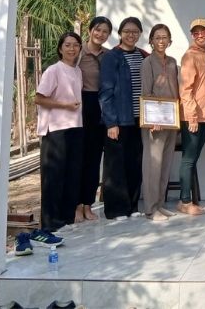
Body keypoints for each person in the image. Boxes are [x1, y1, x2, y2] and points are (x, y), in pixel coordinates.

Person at [35, 32, 84, 232]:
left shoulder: (78, 71)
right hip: (56, 129)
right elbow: (39, 98)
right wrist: (64, 105)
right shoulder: (53, 71)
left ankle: (66, 219)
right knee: (53, 177)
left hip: (75, 127)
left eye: (75, 45)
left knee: (71, 176)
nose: (71, 49)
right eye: (67, 45)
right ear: (60, 48)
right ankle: (49, 223)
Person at [99, 17, 147, 220]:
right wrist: (111, 122)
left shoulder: (143, 55)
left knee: (134, 164)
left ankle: (132, 206)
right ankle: (117, 209)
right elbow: (105, 91)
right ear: (120, 33)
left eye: (135, 32)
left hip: (139, 119)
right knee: (115, 166)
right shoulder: (112, 57)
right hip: (119, 120)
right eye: (127, 31)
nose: (131, 35)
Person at [139, 24, 179, 221]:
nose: (161, 41)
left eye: (165, 37)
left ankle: (160, 204)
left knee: (165, 164)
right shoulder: (147, 63)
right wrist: (152, 119)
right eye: (157, 37)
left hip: (171, 121)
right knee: (152, 165)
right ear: (151, 41)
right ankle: (150, 208)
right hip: (154, 123)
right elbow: (146, 92)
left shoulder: (172, 62)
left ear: (169, 40)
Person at [178, 18, 205, 216]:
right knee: (189, 159)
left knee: (193, 158)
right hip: (193, 117)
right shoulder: (190, 56)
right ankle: (184, 202)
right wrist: (191, 116)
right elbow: (186, 89)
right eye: (196, 32)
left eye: (203, 31)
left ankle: (188, 199)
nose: (200, 35)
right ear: (192, 35)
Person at [76, 15, 112, 221]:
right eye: (97, 30)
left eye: (105, 31)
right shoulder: (78, 53)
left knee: (94, 159)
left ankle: (88, 204)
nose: (100, 34)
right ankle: (75, 205)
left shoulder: (109, 55)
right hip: (81, 106)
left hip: (102, 107)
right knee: (78, 158)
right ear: (90, 30)